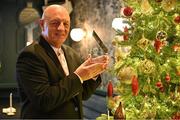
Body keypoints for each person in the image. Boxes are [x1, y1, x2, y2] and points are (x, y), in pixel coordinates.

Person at [16, 4, 109, 119]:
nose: (61, 28)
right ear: (42, 25)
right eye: (55, 23)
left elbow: (83, 94)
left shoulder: (71, 53)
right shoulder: (30, 55)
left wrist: (93, 72)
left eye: (66, 24)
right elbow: (44, 100)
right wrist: (78, 76)